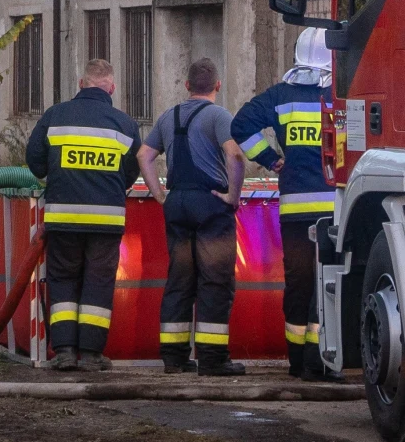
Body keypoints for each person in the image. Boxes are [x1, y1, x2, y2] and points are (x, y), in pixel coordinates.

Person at [231, 28, 343, 382]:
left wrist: (269, 158)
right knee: (329, 281)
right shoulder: (340, 94)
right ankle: (318, 359)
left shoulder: (279, 96)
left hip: (294, 209)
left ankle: (297, 361)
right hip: (333, 209)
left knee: (298, 281)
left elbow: (240, 124)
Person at [26, 59, 141, 373]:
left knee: (62, 280)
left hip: (64, 217)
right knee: (98, 284)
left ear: (81, 84)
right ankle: (91, 355)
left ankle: (63, 352)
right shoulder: (125, 125)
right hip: (107, 221)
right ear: (112, 89)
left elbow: (34, 160)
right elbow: (132, 171)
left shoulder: (55, 116)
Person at [138, 58, 247, 377]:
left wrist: (159, 194)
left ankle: (174, 358)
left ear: (186, 86)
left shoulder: (167, 116)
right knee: (215, 280)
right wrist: (233, 196)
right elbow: (235, 154)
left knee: (180, 279)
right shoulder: (218, 115)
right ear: (218, 85)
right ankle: (212, 359)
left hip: (177, 203)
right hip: (210, 204)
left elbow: (144, 155)